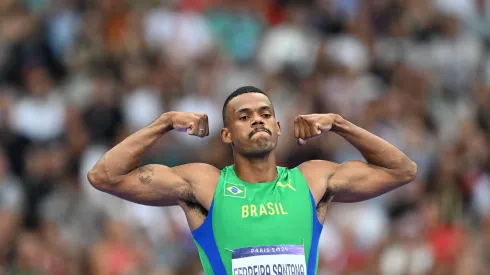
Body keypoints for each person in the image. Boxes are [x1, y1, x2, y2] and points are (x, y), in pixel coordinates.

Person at [87, 86, 417, 275]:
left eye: (265, 114)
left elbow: (402, 171)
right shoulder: (206, 185)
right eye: (244, 117)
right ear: (227, 134)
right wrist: (164, 123)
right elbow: (104, 176)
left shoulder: (312, 180)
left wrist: (340, 124)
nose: (257, 119)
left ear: (277, 127)